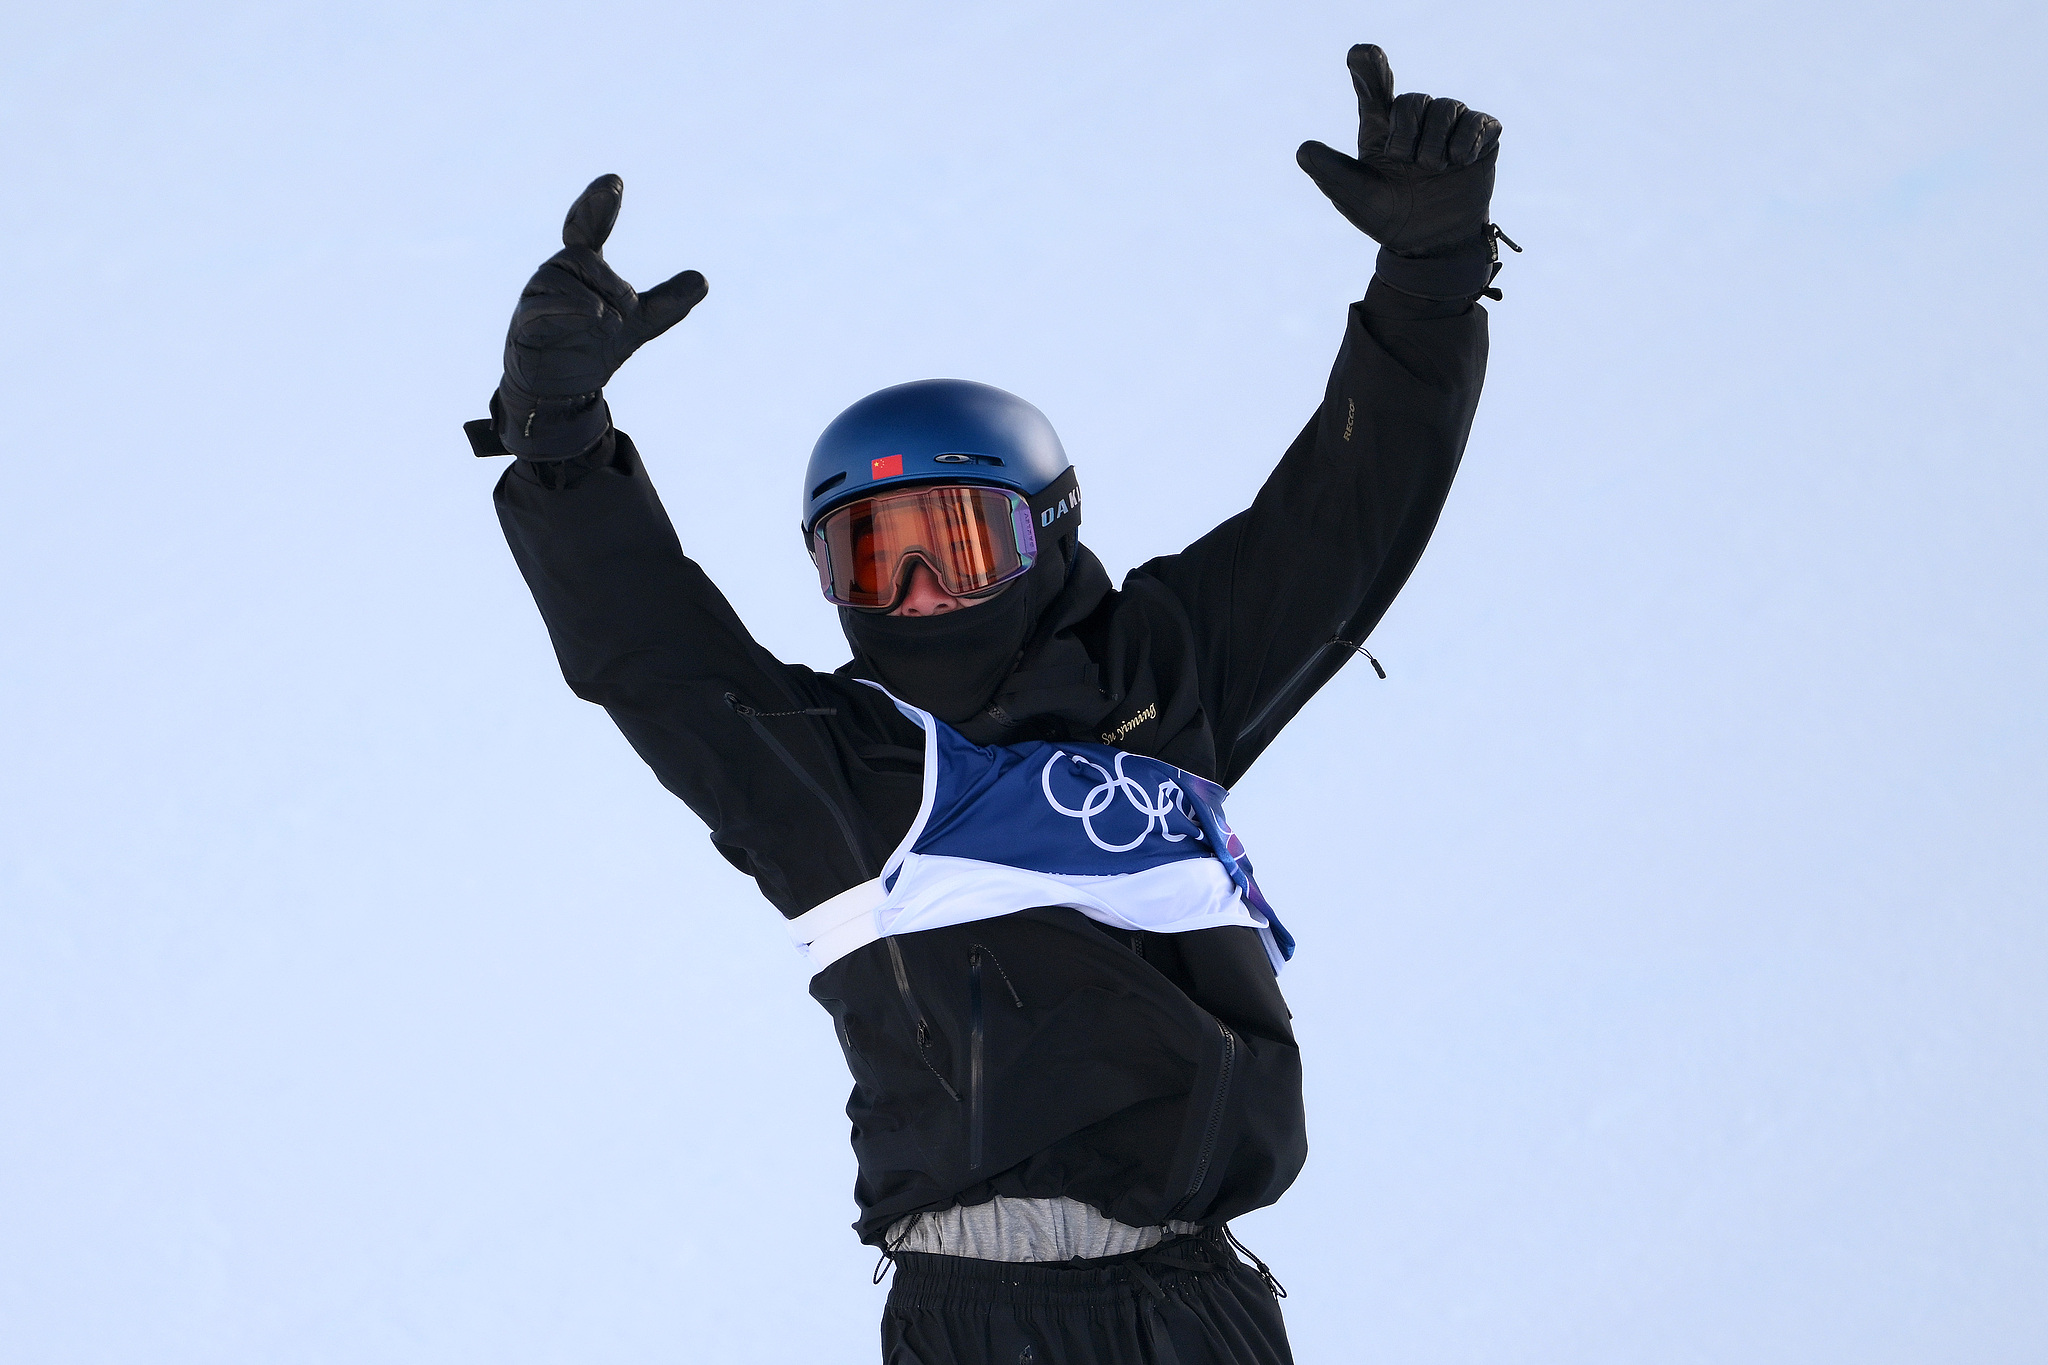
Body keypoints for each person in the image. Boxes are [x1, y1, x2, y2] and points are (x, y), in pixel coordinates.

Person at [468, 42, 1504, 1365]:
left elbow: (1344, 524)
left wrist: (1426, 283)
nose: (913, 592)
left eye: (954, 542)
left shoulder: (1162, 680)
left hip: (1191, 1297)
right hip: (973, 1316)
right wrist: (560, 446)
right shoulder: (827, 775)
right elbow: (646, 648)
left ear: (1052, 532)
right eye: (869, 558)